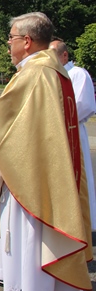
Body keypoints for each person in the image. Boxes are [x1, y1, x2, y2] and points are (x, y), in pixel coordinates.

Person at [0, 12, 92, 291]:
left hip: (30, 187)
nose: (8, 44)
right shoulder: (56, 71)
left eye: (11, 38)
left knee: (30, 251)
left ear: (26, 41)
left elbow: (5, 135)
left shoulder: (32, 74)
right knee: (46, 252)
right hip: (50, 179)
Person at [50, 38, 96, 230]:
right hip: (54, 135)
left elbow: (83, 105)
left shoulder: (77, 74)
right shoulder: (52, 75)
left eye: (53, 55)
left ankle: (82, 223)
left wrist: (53, 116)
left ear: (64, 55)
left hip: (72, 132)